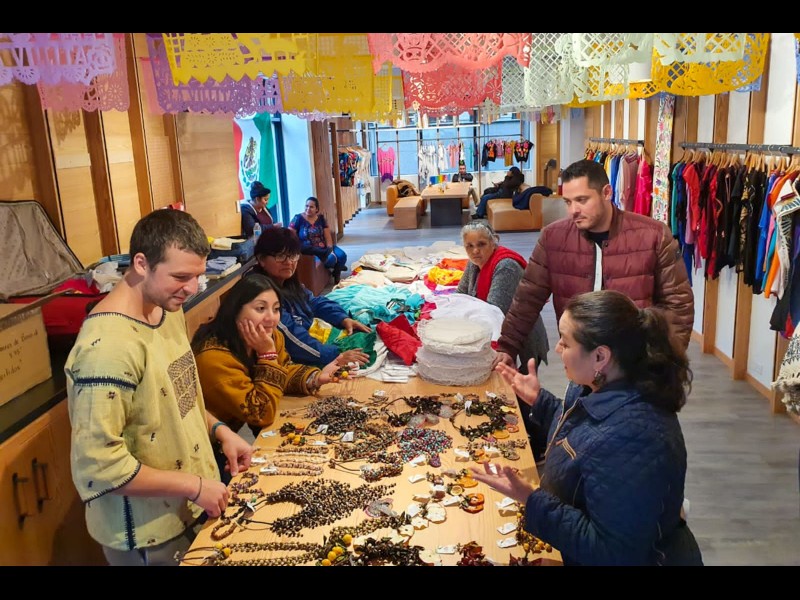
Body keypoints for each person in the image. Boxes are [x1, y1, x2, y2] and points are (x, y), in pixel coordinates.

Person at [65, 209, 254, 566]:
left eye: (198, 275)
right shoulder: (107, 348)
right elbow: (98, 465)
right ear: (141, 264)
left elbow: (177, 396)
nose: (192, 288)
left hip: (188, 505)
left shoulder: (166, 308)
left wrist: (219, 430)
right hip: (147, 532)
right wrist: (194, 486)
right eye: (181, 276)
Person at [474, 290, 704, 566]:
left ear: (600, 356)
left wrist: (532, 499)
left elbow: (611, 553)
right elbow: (583, 434)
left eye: (565, 342)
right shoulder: (598, 386)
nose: (557, 349)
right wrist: (540, 401)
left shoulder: (635, 437)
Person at [495, 158, 694, 373]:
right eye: (568, 202)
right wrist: (508, 346)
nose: (573, 210)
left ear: (607, 192)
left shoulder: (653, 235)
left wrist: (665, 363)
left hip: (637, 365)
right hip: (581, 362)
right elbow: (527, 298)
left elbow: (678, 305)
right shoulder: (553, 237)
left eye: (582, 200)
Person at [192, 274, 342, 476]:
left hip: (230, 439)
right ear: (235, 311)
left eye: (276, 309)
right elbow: (260, 413)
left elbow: (282, 370)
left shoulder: (268, 336)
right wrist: (267, 355)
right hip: (204, 450)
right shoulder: (215, 358)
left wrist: (315, 377)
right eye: (260, 309)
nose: (271, 318)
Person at [247, 226, 371, 368]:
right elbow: (292, 338)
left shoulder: (287, 282)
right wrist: (336, 356)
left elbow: (314, 302)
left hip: (309, 346)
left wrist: (342, 318)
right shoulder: (260, 293)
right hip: (282, 362)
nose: (289, 262)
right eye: (280, 256)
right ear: (261, 259)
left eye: (293, 255)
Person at [457, 220, 549, 369]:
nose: (475, 251)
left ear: (494, 242)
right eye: (470, 246)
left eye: (481, 244)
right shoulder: (474, 263)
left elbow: (494, 311)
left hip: (520, 337)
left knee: (521, 378)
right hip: (500, 332)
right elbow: (460, 295)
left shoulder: (506, 266)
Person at [289, 196, 347, 283]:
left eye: (311, 207)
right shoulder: (298, 218)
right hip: (310, 250)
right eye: (306, 206)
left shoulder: (321, 219)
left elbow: (327, 236)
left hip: (324, 247)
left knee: (342, 255)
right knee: (331, 260)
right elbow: (289, 234)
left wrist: (330, 249)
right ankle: (338, 268)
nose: (308, 209)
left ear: (317, 209)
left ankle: (336, 271)